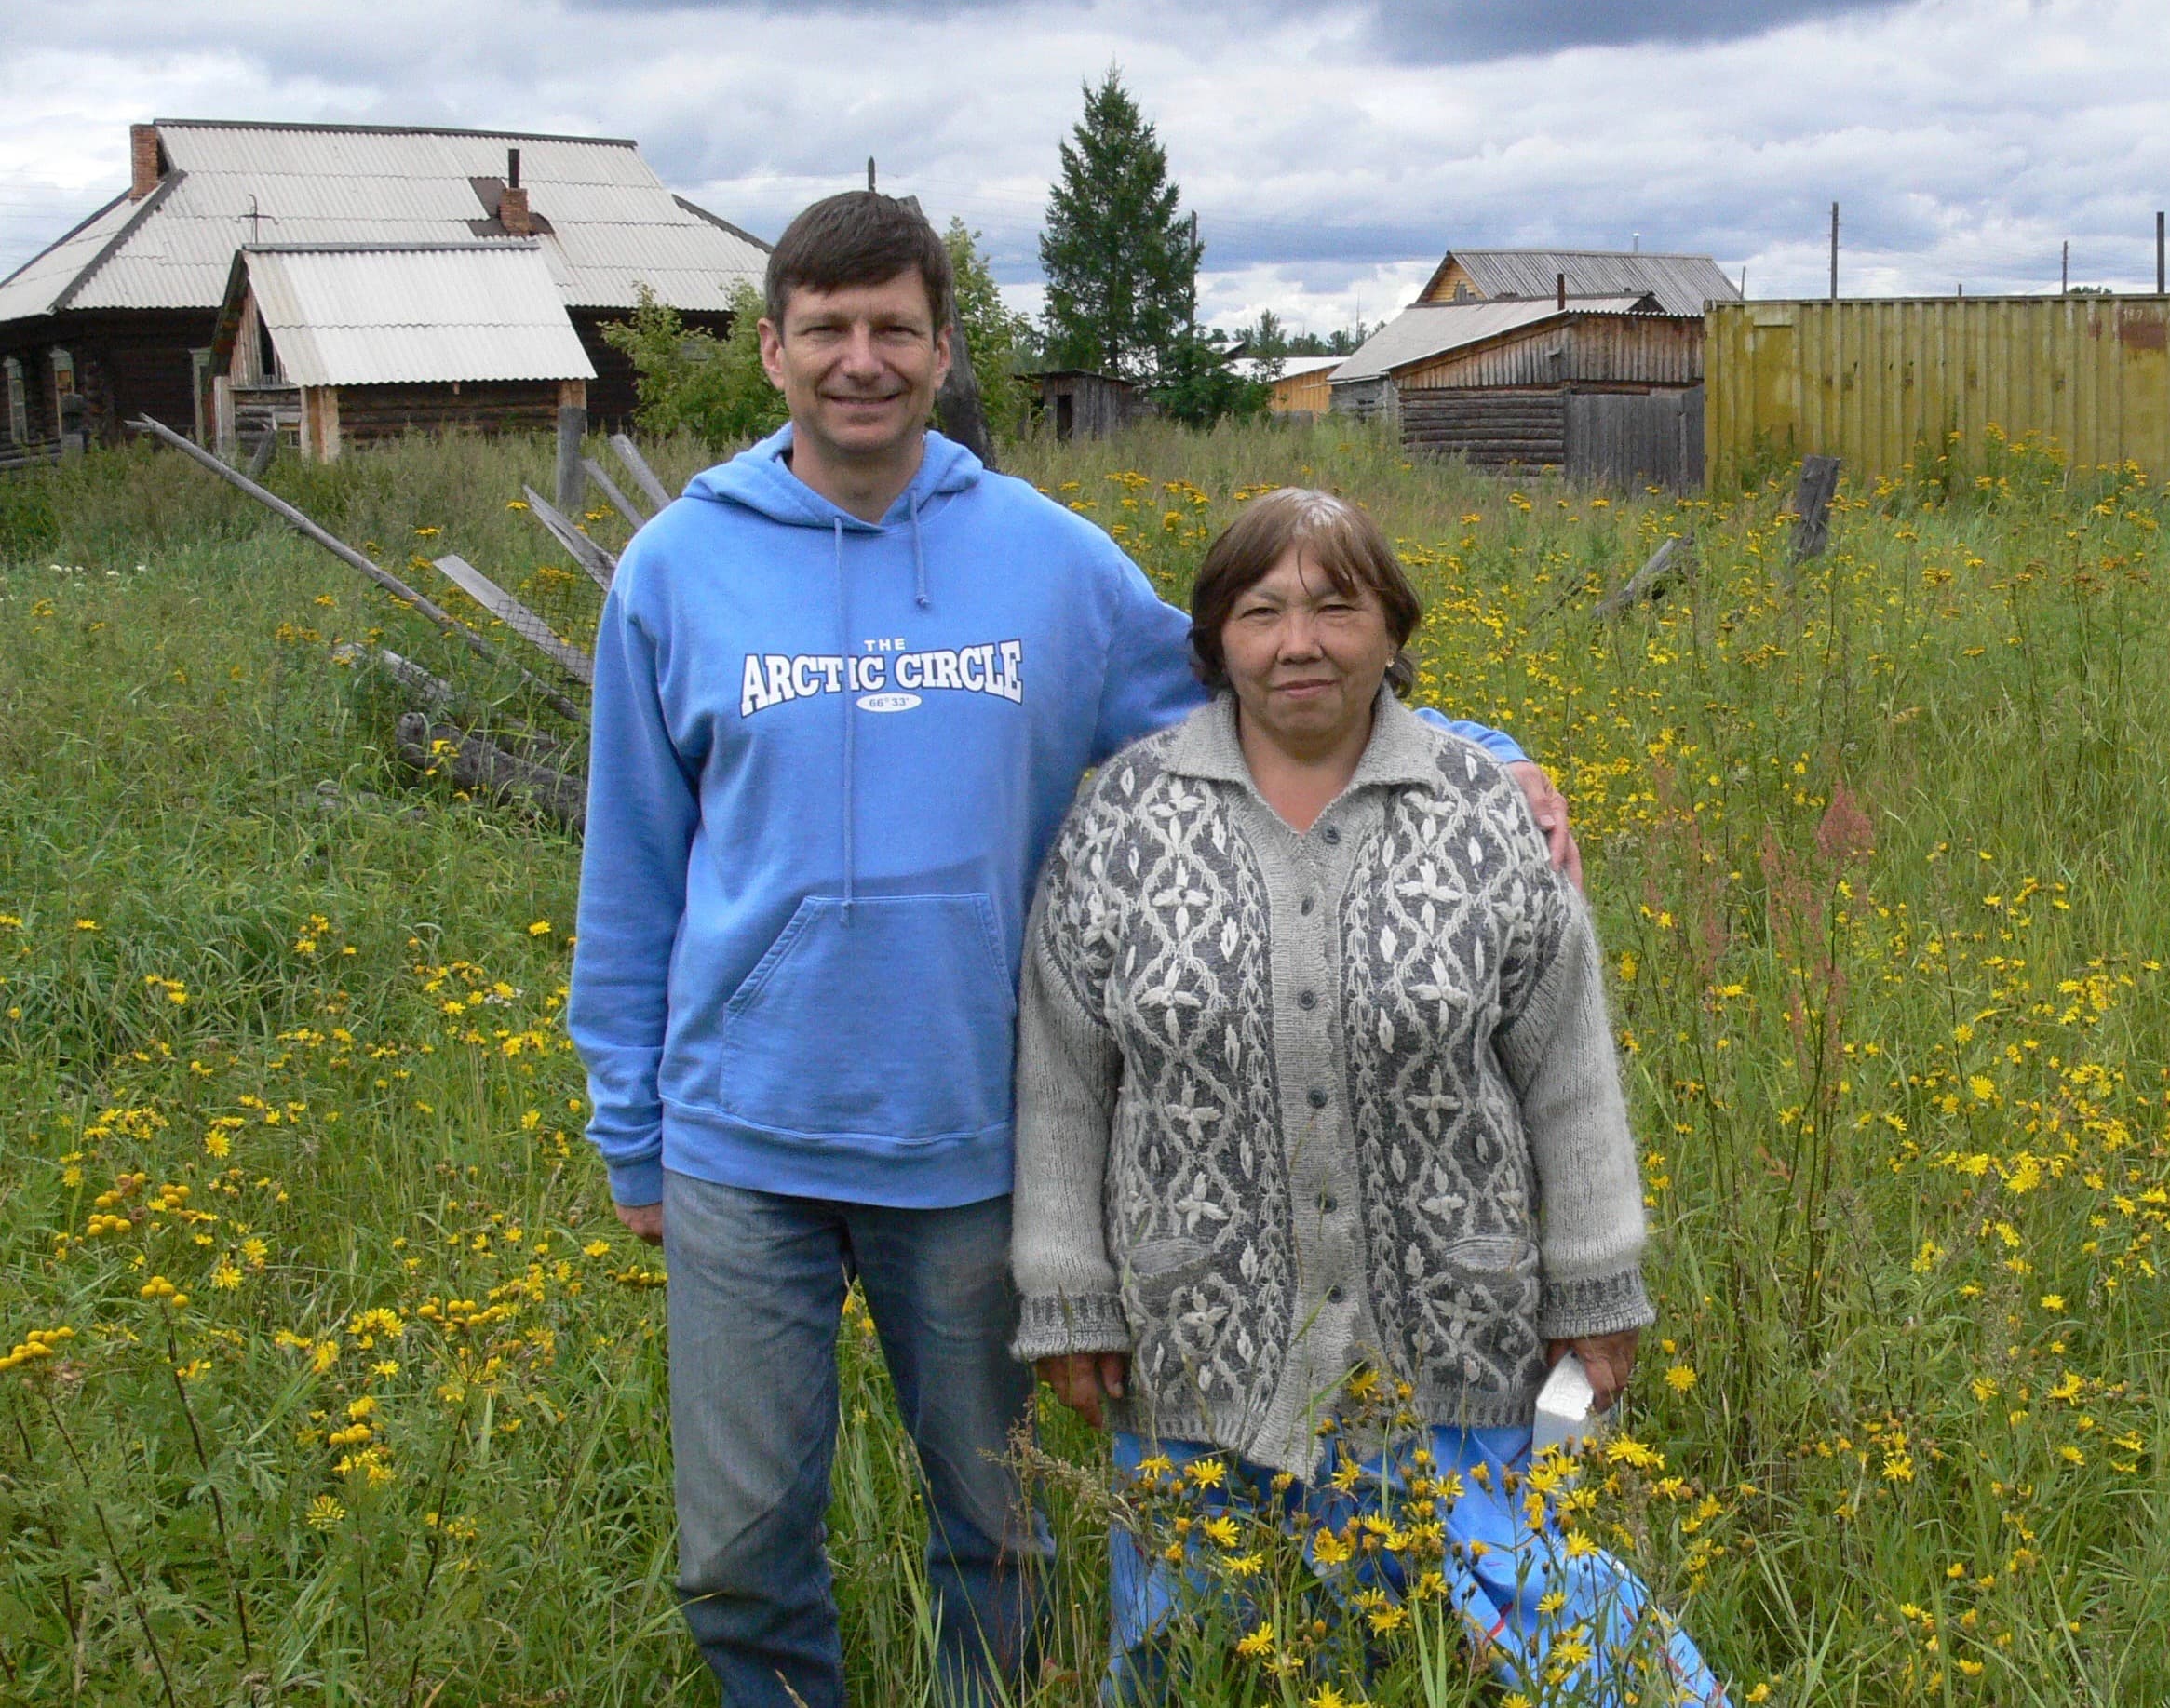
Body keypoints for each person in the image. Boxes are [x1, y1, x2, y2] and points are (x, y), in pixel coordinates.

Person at [567, 194, 1575, 1708]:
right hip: (743, 1142)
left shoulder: (1043, 560)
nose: (862, 361)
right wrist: (631, 1132)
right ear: (771, 351)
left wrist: (1476, 755)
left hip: (979, 1144)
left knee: (1008, 1530)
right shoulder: (675, 571)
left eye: (894, 328)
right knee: (739, 1542)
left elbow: (1243, 682)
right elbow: (631, 866)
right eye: (827, 331)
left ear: (941, 348)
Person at [1011, 488, 1725, 1704]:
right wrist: (1069, 1294)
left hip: (1458, 1324)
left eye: (1338, 607)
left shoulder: (1483, 809)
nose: (1300, 642)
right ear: (1214, 646)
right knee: (1208, 1658)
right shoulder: (1122, 820)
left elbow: (1567, 1072)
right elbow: (1067, 1081)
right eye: (1262, 611)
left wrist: (1598, 1282)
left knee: (1530, 1621)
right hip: (1199, 1336)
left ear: (1394, 632)